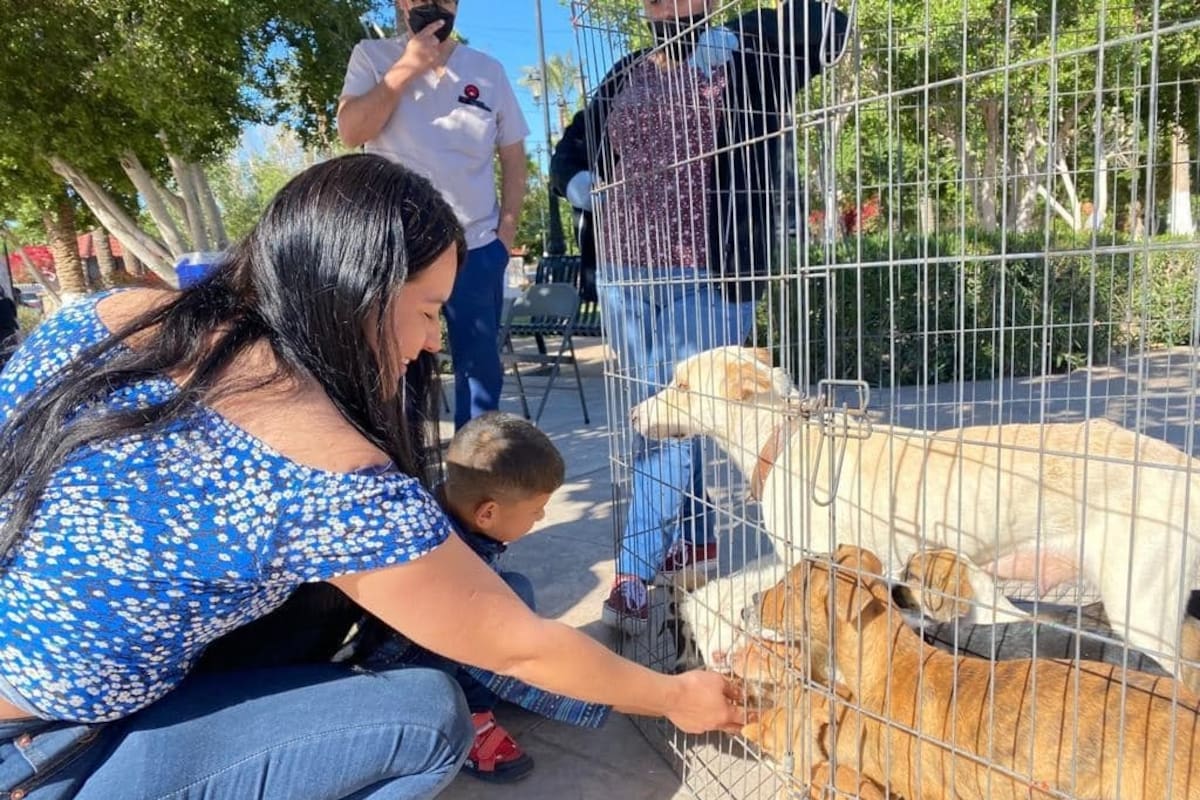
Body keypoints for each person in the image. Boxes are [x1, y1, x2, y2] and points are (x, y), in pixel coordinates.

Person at [0, 154, 745, 800]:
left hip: (44, 695)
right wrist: (674, 695)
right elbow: (514, 644)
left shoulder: (110, 317)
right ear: (354, 291)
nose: (429, 345)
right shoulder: (326, 468)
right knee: (423, 719)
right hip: (47, 748)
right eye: (426, 311)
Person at [551, 0, 850, 634]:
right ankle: (693, 554)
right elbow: (568, 152)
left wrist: (732, 32)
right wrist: (580, 186)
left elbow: (832, 26)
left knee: (671, 417)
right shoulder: (626, 71)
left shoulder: (750, 58)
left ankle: (632, 574)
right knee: (653, 416)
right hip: (626, 274)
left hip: (713, 274)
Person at [356, 410, 610, 784]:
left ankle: (476, 696)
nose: (541, 518)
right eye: (536, 510)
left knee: (515, 586)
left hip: (435, 637)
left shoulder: (448, 507)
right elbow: (496, 652)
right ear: (488, 512)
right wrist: (587, 691)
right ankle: (473, 716)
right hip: (402, 663)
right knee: (485, 656)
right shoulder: (443, 565)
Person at [338, 0, 529, 431]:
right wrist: (406, 68)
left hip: (477, 249)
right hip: (400, 253)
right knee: (396, 372)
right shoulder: (371, 56)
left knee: (481, 377)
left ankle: (472, 484)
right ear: (401, 3)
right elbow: (351, 131)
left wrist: (504, 238)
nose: (432, 5)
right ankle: (403, 478)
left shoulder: (488, 70)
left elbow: (515, 161)